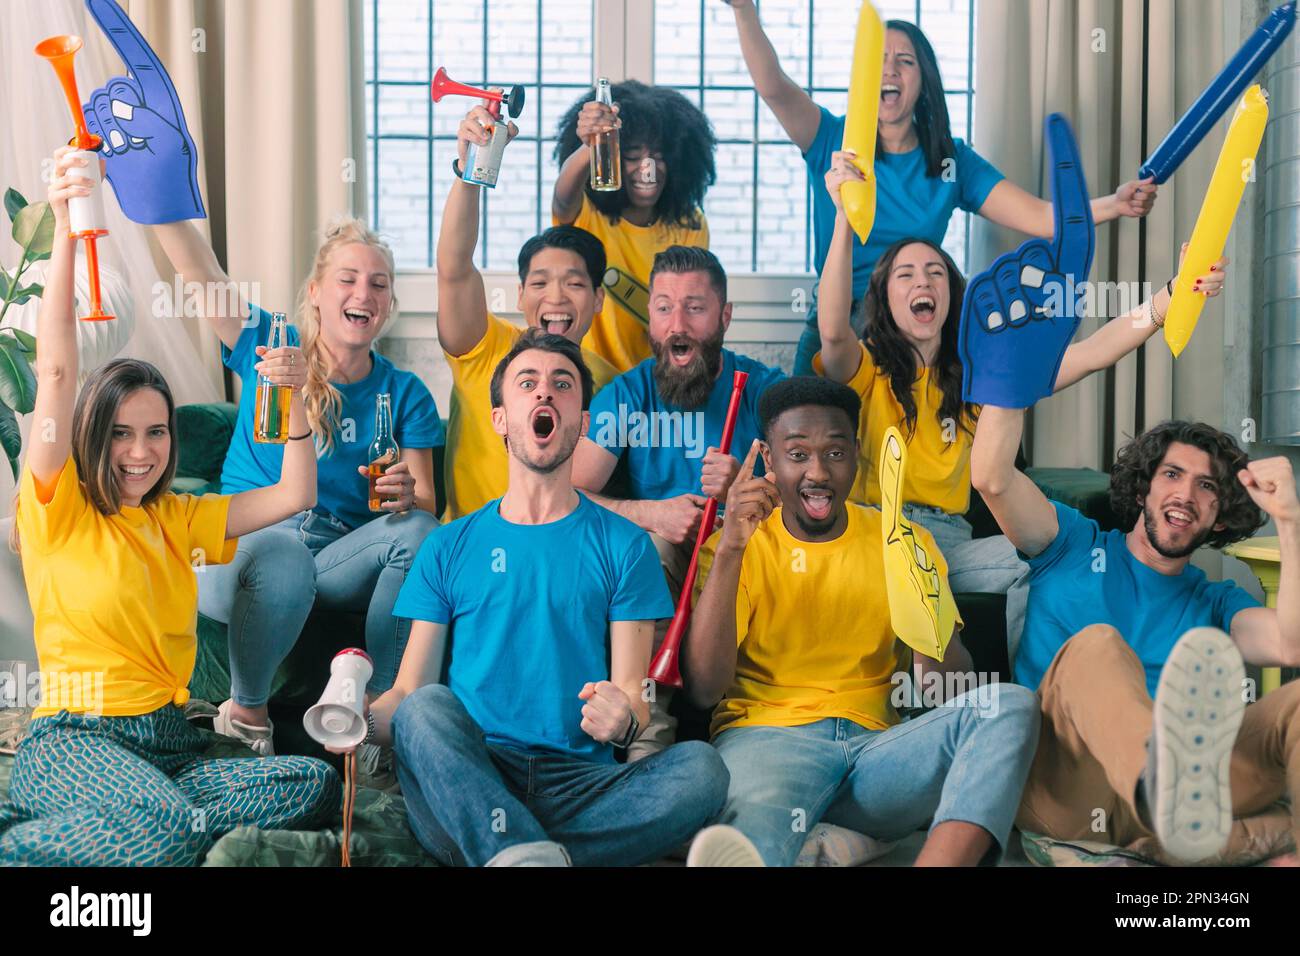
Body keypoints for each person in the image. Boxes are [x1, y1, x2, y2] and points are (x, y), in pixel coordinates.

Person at [0, 148, 338, 866]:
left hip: (172, 741)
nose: (140, 452)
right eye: (121, 433)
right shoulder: (57, 506)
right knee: (168, 828)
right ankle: (40, 837)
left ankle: (136, 825)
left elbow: (294, 496)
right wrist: (66, 226)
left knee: (308, 779)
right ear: (92, 433)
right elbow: (58, 368)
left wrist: (301, 400)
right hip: (76, 736)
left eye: (156, 432)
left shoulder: (176, 519)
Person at [338, 330, 729, 866]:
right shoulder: (447, 546)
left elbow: (634, 700)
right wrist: (357, 718)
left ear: (583, 423)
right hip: (472, 771)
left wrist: (625, 721)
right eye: (528, 383)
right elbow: (408, 696)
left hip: (580, 786)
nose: (545, 393)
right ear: (501, 418)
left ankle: (516, 851)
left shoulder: (627, 547)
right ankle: (529, 849)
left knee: (703, 771)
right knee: (427, 708)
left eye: (562, 385)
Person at [816, 159, 1228, 659]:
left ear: (952, 295)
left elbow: (1091, 353)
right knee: (917, 600)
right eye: (905, 274)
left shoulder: (985, 373)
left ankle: (1040, 695)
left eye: (935, 273)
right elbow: (834, 329)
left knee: (1041, 564)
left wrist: (1169, 297)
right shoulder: (866, 367)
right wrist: (842, 215)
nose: (922, 281)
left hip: (952, 542)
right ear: (885, 296)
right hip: (880, 533)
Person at [681, 376, 1040, 867]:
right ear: (769, 460)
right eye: (798, 453)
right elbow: (703, 689)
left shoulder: (903, 538)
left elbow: (944, 692)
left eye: (834, 453)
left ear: (856, 454)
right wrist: (731, 550)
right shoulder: (737, 546)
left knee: (1010, 706)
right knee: (749, 850)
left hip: (878, 755)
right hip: (769, 742)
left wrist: (925, 617)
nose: (818, 473)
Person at [722, 0, 1158, 375]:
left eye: (905, 61)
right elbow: (774, 87)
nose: (890, 68)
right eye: (880, 59)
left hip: (915, 322)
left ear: (922, 81)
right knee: (810, 442)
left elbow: (1042, 217)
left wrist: (1114, 204)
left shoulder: (952, 160)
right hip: (839, 320)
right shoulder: (828, 138)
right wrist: (744, 11)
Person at [152, 215, 445, 756]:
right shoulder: (269, 343)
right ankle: (246, 713)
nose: (364, 293)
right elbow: (201, 272)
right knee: (283, 550)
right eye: (348, 279)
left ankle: (377, 719)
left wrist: (408, 495)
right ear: (315, 292)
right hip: (244, 543)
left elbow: (424, 504)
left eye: (379, 284)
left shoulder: (404, 394)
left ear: (389, 304)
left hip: (337, 557)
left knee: (421, 531)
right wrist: (160, 198)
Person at [972, 404, 1300, 863]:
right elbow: (992, 478)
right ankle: (1183, 811)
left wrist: (1289, 520)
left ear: (1219, 517)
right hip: (1066, 786)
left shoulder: (1216, 601)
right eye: (1172, 474)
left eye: (1206, 486)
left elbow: (1290, 644)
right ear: (1144, 488)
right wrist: (1014, 373)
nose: (1185, 494)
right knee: (1099, 645)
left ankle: (1163, 841)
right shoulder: (1069, 544)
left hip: (1177, 805)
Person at [571, 246, 786, 757]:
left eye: (695, 306)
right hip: (658, 568)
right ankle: (649, 742)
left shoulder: (764, 390)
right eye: (664, 307)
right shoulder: (627, 394)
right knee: (651, 550)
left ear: (725, 316)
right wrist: (653, 514)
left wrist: (745, 488)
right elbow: (565, 494)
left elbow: (808, 487)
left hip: (747, 562)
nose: (677, 323)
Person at [441, 103, 621, 521]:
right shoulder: (484, 349)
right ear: (521, 295)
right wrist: (470, 175)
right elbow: (454, 268)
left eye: (574, 283)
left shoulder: (610, 384)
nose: (556, 297)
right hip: (472, 556)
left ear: (598, 299)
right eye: (540, 283)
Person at [553, 80, 716, 373]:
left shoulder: (689, 224)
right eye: (631, 156)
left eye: (659, 156)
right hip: (588, 379)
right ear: (611, 155)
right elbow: (563, 198)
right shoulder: (587, 215)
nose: (646, 168)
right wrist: (590, 146)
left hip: (656, 384)